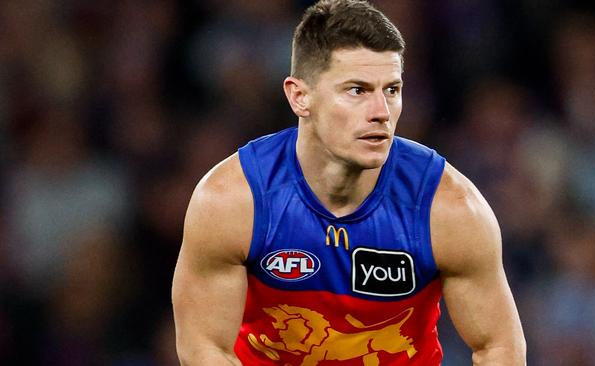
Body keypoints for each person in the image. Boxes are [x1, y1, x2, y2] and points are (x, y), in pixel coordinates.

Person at [172, 0, 526, 365]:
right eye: (357, 90)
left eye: (391, 90)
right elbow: (206, 348)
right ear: (299, 96)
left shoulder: (448, 207)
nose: (381, 113)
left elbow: (498, 346)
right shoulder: (232, 201)